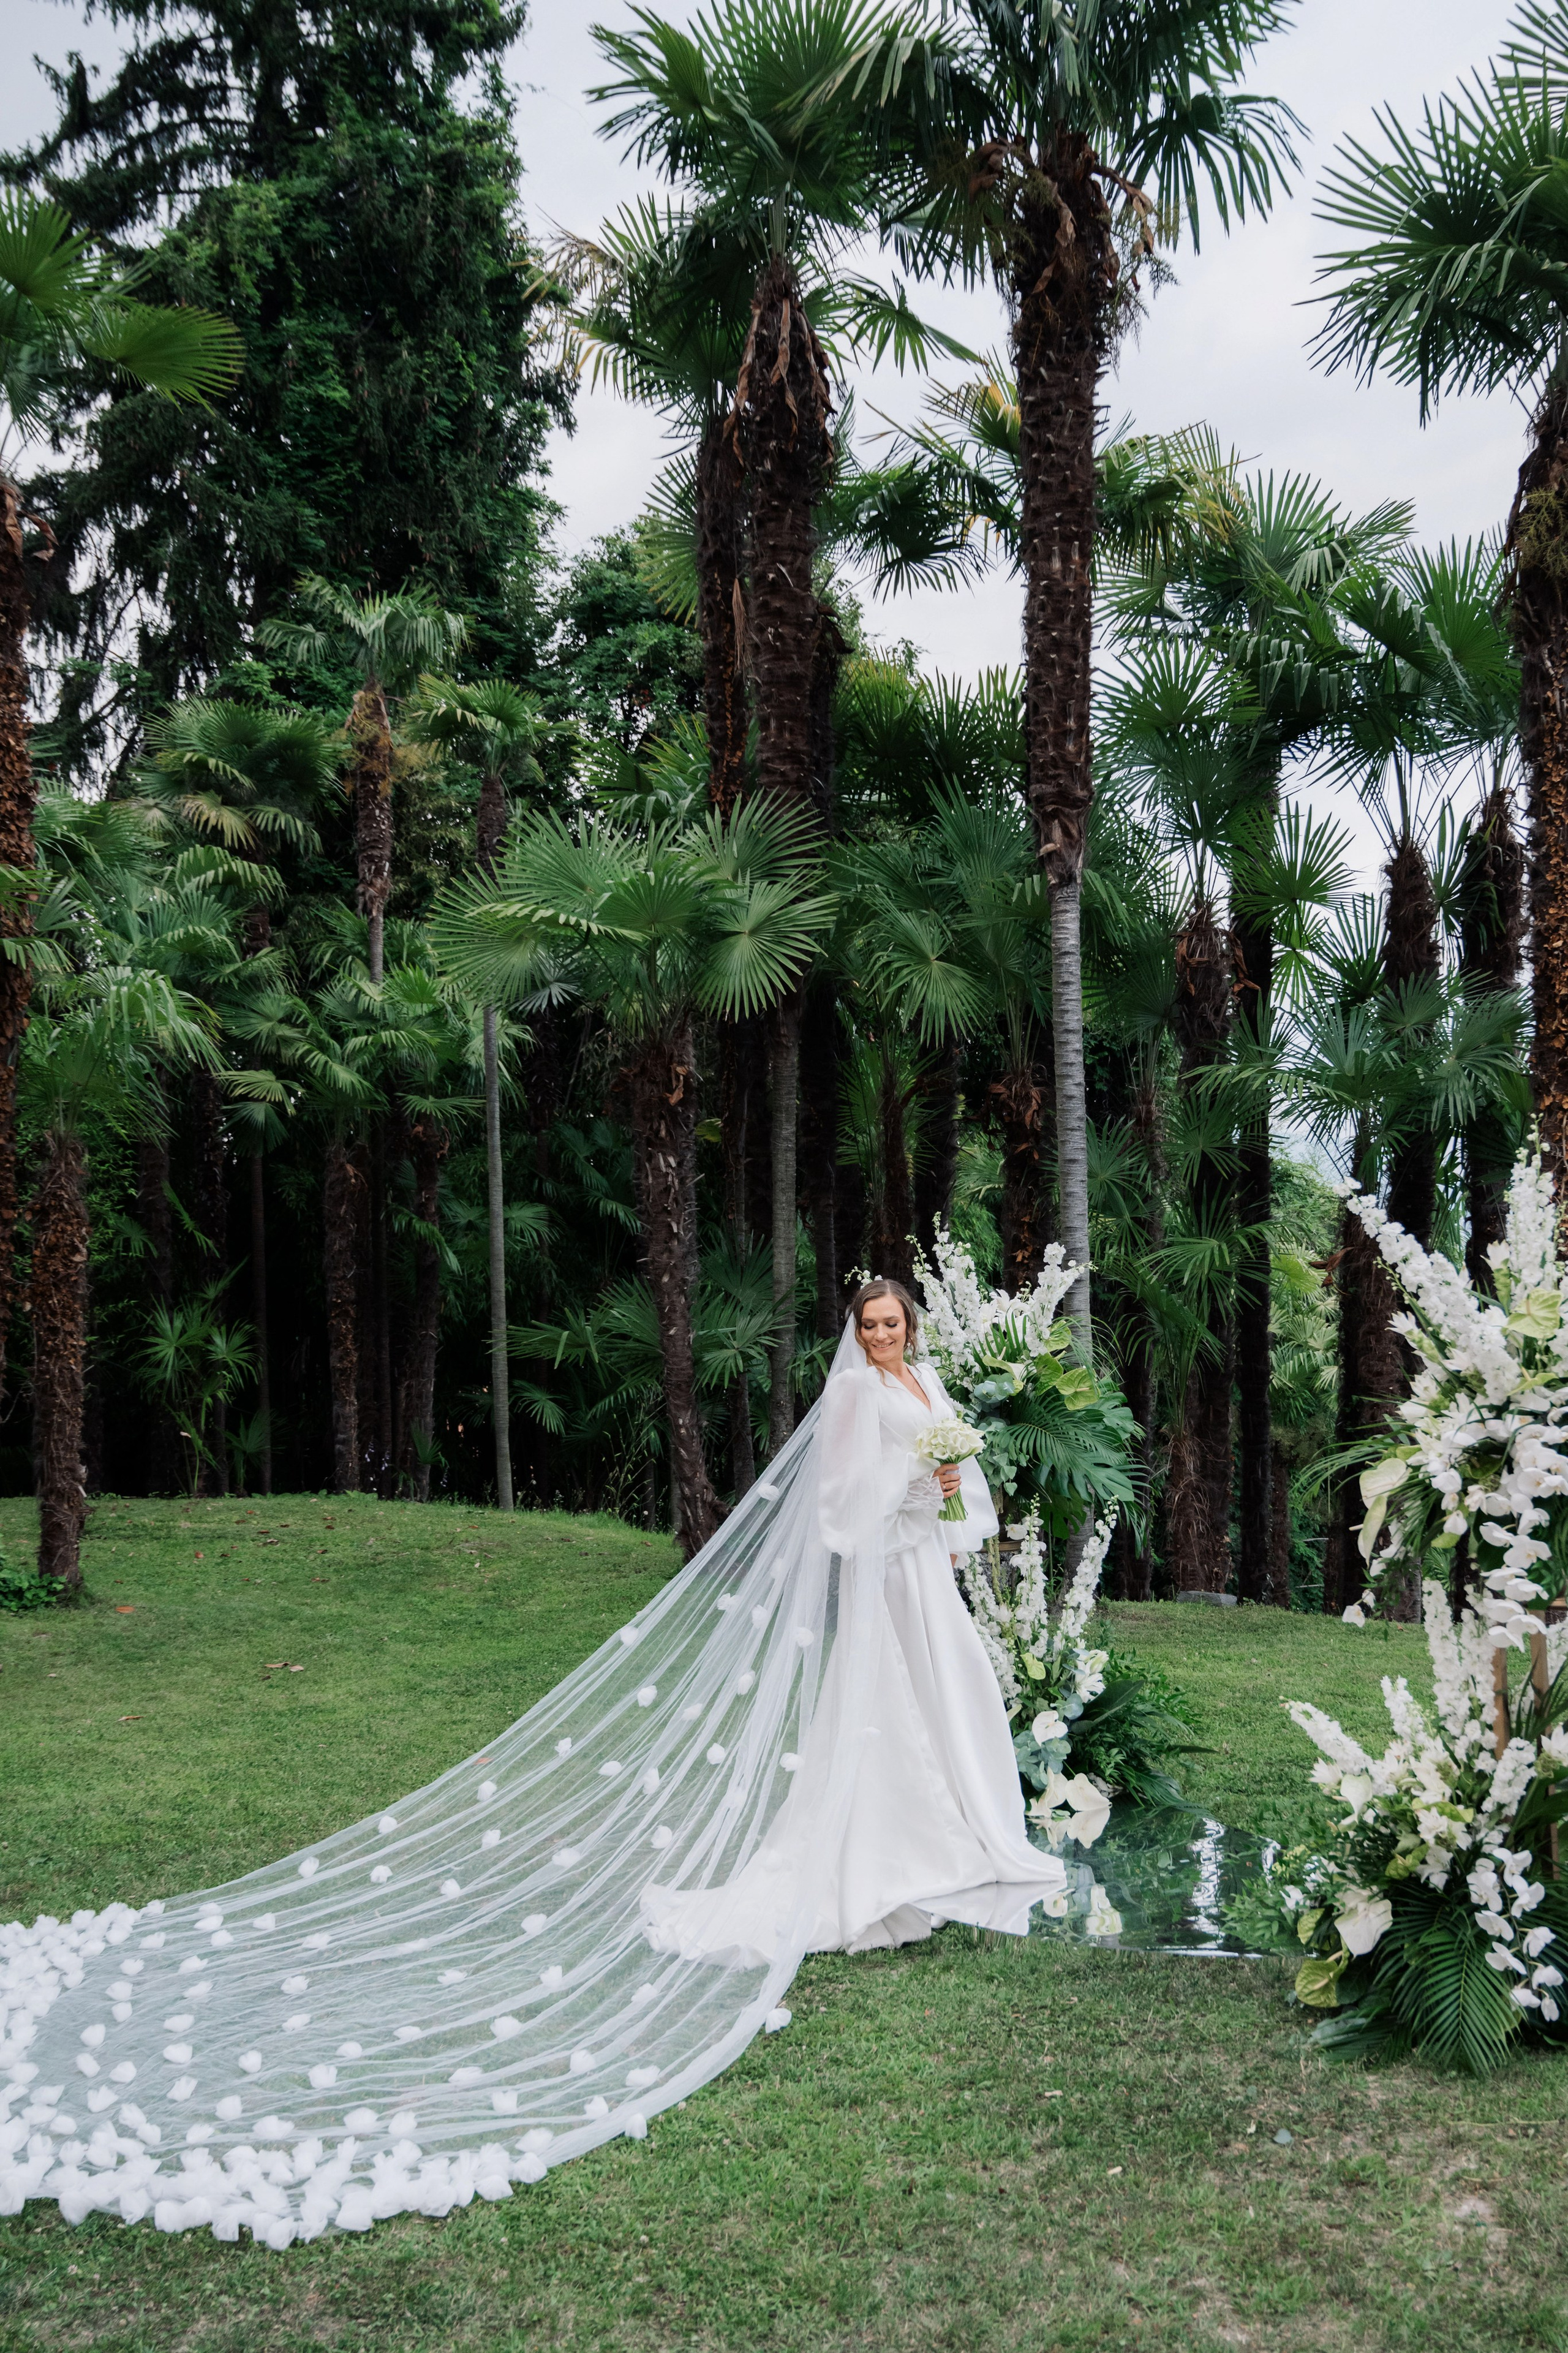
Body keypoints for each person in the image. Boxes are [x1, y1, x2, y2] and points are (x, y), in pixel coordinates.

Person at [0, 1282, 1065, 2247]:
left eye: (892, 1324)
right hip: (883, 1572)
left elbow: (959, 1490)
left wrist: (945, 1487)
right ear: (856, 1332)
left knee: (956, 1689)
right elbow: (837, 1509)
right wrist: (905, 1493)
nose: (882, 1338)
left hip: (929, 1569)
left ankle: (972, 1831)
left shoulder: (927, 1381)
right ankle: (893, 1849)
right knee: (885, 1718)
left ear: (912, 1327)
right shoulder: (847, 1400)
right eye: (869, 1326)